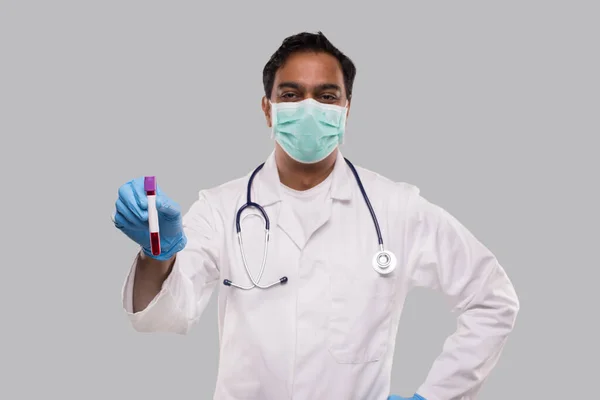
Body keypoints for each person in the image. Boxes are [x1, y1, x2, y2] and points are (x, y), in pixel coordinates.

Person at [113, 31, 519, 400]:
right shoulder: (222, 208)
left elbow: (492, 300)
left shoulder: (397, 208)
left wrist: (433, 397)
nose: (308, 109)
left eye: (326, 96)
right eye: (291, 95)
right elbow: (163, 318)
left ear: (346, 109)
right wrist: (157, 252)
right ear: (267, 110)